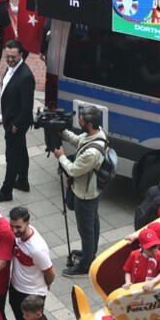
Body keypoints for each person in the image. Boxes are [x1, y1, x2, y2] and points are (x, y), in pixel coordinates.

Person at [52, 107, 107, 275]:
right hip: (91, 191)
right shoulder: (97, 134)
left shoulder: (91, 153)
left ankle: (84, 266)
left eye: (81, 121)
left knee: (86, 230)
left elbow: (74, 170)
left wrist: (61, 156)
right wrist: (62, 132)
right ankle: (89, 253)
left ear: (89, 124)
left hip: (85, 194)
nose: (79, 122)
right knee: (93, 224)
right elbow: (78, 140)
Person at [3, 208, 53, 320]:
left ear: (27, 223)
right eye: (12, 226)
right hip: (16, 290)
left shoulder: (37, 249)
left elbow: (50, 272)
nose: (14, 231)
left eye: (18, 227)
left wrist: (47, 282)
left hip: (31, 295)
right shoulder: (20, 235)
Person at [0, 43, 34, 200]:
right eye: (7, 56)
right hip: (11, 119)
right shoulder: (11, 67)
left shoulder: (25, 77)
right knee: (21, 150)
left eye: (13, 57)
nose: (9, 60)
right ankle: (23, 181)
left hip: (16, 123)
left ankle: (6, 191)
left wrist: (15, 126)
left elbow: (27, 108)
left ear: (21, 56)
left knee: (11, 157)